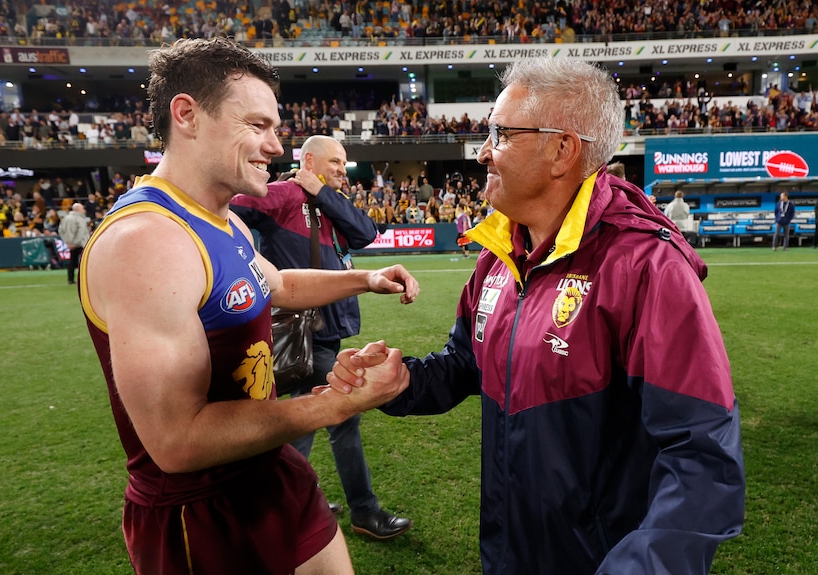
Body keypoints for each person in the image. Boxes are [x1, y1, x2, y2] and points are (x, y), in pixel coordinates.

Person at [329, 58, 745, 575]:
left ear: (562, 150)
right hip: (508, 554)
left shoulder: (645, 266)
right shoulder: (499, 252)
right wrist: (402, 381)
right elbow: (466, 361)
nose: (483, 152)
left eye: (500, 133)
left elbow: (703, 459)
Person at [78, 37, 419, 575]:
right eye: (257, 126)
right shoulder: (147, 241)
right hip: (203, 510)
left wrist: (365, 278)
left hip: (269, 467)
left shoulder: (225, 219)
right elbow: (178, 442)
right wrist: (338, 403)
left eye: (274, 128)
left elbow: (277, 284)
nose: (275, 147)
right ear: (187, 115)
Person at [230, 135, 413, 540]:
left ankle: (292, 500)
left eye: (344, 163)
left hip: (325, 332)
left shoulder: (329, 202)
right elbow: (227, 206)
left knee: (304, 420)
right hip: (303, 333)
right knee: (341, 412)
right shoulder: (282, 196)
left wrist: (321, 192)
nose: (341, 170)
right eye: (334, 162)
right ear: (309, 160)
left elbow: (366, 231)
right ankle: (362, 512)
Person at [58, 202, 90, 284]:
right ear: (78, 209)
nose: (84, 210)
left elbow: (60, 230)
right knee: (84, 262)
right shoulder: (80, 219)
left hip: (70, 244)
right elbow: (81, 232)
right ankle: (84, 279)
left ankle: (70, 279)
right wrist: (75, 242)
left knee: (72, 261)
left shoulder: (66, 218)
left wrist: (67, 242)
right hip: (81, 243)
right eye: (82, 208)